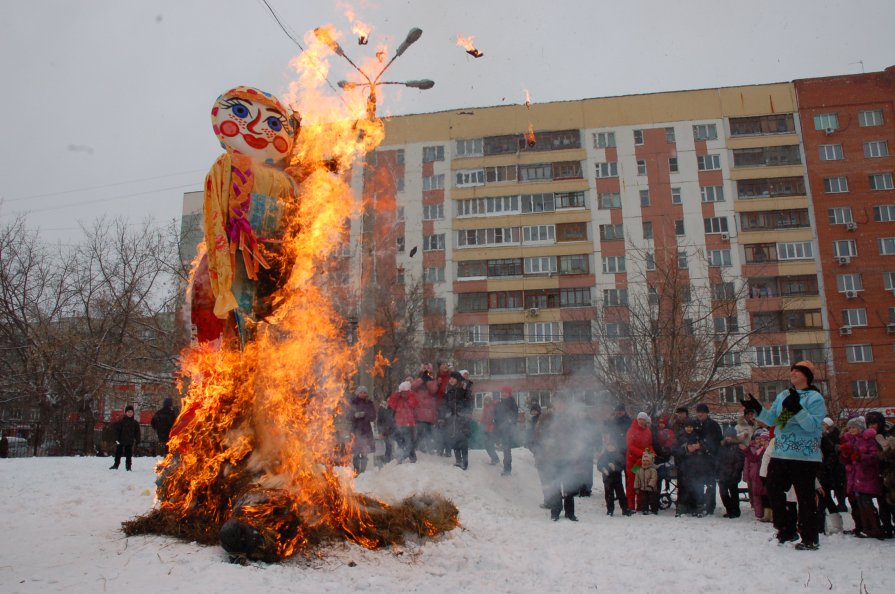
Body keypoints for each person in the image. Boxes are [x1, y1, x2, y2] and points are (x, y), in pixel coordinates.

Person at [741, 359, 827, 550]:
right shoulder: (785, 395)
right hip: (782, 452)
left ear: (807, 376)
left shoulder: (815, 398)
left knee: (804, 498)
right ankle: (786, 528)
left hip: (804, 456)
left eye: (798, 371)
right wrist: (758, 410)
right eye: (793, 370)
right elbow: (778, 422)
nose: (793, 373)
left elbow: (812, 426)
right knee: (772, 486)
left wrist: (797, 409)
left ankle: (809, 538)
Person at [840, 416, 884, 539]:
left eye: (854, 427)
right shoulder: (851, 441)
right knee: (860, 503)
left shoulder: (868, 440)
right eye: (850, 428)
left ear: (860, 428)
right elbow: (847, 459)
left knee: (867, 503)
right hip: (855, 477)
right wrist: (845, 455)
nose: (851, 430)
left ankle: (875, 528)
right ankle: (866, 527)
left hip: (866, 476)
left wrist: (860, 457)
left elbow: (874, 456)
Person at [864, 411, 894, 538]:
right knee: (882, 503)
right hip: (874, 473)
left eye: (874, 423)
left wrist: (883, 453)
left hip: (889, 473)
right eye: (869, 423)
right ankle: (886, 526)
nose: (872, 426)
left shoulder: (887, 435)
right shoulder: (866, 437)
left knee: (892, 501)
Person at [693, 403, 722, 515]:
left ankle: (710, 506)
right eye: (698, 412)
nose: (700, 414)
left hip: (710, 458)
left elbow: (717, 440)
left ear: (707, 413)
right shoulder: (695, 424)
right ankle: (700, 504)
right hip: (697, 459)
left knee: (710, 483)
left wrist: (704, 445)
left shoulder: (713, 425)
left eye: (702, 412)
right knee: (698, 483)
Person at [625, 412, 654, 511]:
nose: (642, 421)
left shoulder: (648, 431)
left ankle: (640, 505)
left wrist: (651, 453)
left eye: (644, 420)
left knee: (642, 482)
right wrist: (642, 453)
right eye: (640, 419)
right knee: (633, 482)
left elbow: (649, 444)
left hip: (643, 462)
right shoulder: (632, 430)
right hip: (633, 461)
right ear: (637, 420)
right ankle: (630, 505)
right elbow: (630, 446)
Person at [444, 372, 473, 470]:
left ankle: (465, 462)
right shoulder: (449, 390)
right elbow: (446, 404)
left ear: (458, 379)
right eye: (450, 378)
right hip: (452, 419)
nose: (451, 380)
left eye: (453, 378)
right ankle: (458, 460)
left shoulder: (464, 389)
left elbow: (469, 401)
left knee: (462, 439)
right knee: (454, 438)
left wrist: (467, 413)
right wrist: (446, 415)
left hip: (462, 417)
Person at [597, 434, 631, 516]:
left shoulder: (619, 456)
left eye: (612, 446)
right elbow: (600, 464)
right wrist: (604, 469)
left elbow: (622, 465)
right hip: (607, 479)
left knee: (621, 494)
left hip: (617, 478)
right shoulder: (604, 456)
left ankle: (625, 509)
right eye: (609, 446)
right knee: (609, 495)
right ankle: (610, 510)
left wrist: (615, 467)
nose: (611, 448)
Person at [716, 426, 746, 519]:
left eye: (730, 436)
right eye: (726, 436)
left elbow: (740, 461)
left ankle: (735, 511)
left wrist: (735, 472)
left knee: (734, 493)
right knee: (723, 493)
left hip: (733, 473)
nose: (728, 438)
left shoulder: (738, 446)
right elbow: (718, 459)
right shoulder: (721, 446)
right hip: (722, 473)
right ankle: (729, 509)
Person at [388, 381, 418, 464]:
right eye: (402, 392)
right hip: (399, 424)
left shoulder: (412, 397)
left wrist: (409, 395)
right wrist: (396, 394)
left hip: (410, 424)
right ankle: (400, 457)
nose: (404, 394)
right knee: (400, 442)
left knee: (409, 442)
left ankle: (412, 457)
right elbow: (391, 403)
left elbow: (414, 404)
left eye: (406, 392)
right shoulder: (398, 399)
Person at [743, 428, 770, 520]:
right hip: (755, 475)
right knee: (756, 495)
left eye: (761, 439)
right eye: (757, 439)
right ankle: (759, 514)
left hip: (766, 474)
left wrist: (746, 451)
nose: (759, 441)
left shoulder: (766, 449)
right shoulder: (754, 449)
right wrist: (746, 475)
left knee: (766, 494)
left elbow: (755, 458)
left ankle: (768, 514)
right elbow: (750, 461)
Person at [349, 386, 376, 474]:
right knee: (356, 452)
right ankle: (356, 471)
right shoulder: (353, 402)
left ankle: (363, 472)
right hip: (355, 430)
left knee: (365, 452)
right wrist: (355, 415)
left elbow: (373, 416)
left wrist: (365, 415)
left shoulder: (369, 403)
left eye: (364, 392)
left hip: (366, 430)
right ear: (357, 393)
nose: (363, 394)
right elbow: (348, 416)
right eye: (361, 392)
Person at [493, 386, 519, 476]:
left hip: (508, 431)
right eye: (502, 392)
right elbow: (495, 417)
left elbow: (514, 416)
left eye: (506, 392)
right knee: (504, 449)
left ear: (509, 394)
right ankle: (506, 468)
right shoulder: (499, 404)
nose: (503, 394)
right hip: (499, 430)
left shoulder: (512, 404)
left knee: (507, 450)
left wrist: (507, 422)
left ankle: (507, 469)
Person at [110, 405, 141, 471]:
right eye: (128, 412)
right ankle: (116, 465)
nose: (130, 413)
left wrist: (138, 440)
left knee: (129, 455)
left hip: (129, 441)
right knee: (118, 454)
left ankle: (128, 467)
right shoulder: (121, 422)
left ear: (133, 413)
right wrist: (116, 440)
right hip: (120, 441)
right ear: (126, 413)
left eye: (131, 412)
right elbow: (117, 431)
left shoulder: (135, 423)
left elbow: (137, 432)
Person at [634, 449, 659, 514]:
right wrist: (636, 487)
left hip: (651, 489)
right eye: (644, 461)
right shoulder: (639, 470)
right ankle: (645, 509)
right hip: (643, 488)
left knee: (653, 500)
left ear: (650, 462)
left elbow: (654, 478)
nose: (645, 462)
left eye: (647, 461)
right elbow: (636, 479)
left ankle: (654, 509)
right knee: (644, 500)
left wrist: (650, 485)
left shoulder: (653, 470)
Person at [480, 395, 500, 465]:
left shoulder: (494, 405)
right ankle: (494, 458)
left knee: (489, 445)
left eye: (488, 399)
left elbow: (496, 416)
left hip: (492, 428)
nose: (486, 401)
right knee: (487, 445)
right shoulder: (485, 407)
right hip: (487, 428)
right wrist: (481, 422)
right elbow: (484, 416)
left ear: (490, 400)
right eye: (485, 399)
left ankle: (495, 459)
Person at [375, 399, 395, 464]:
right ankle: (387, 461)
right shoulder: (382, 408)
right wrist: (380, 432)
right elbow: (379, 421)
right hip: (385, 431)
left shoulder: (393, 407)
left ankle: (390, 460)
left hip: (393, 430)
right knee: (388, 446)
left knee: (390, 446)